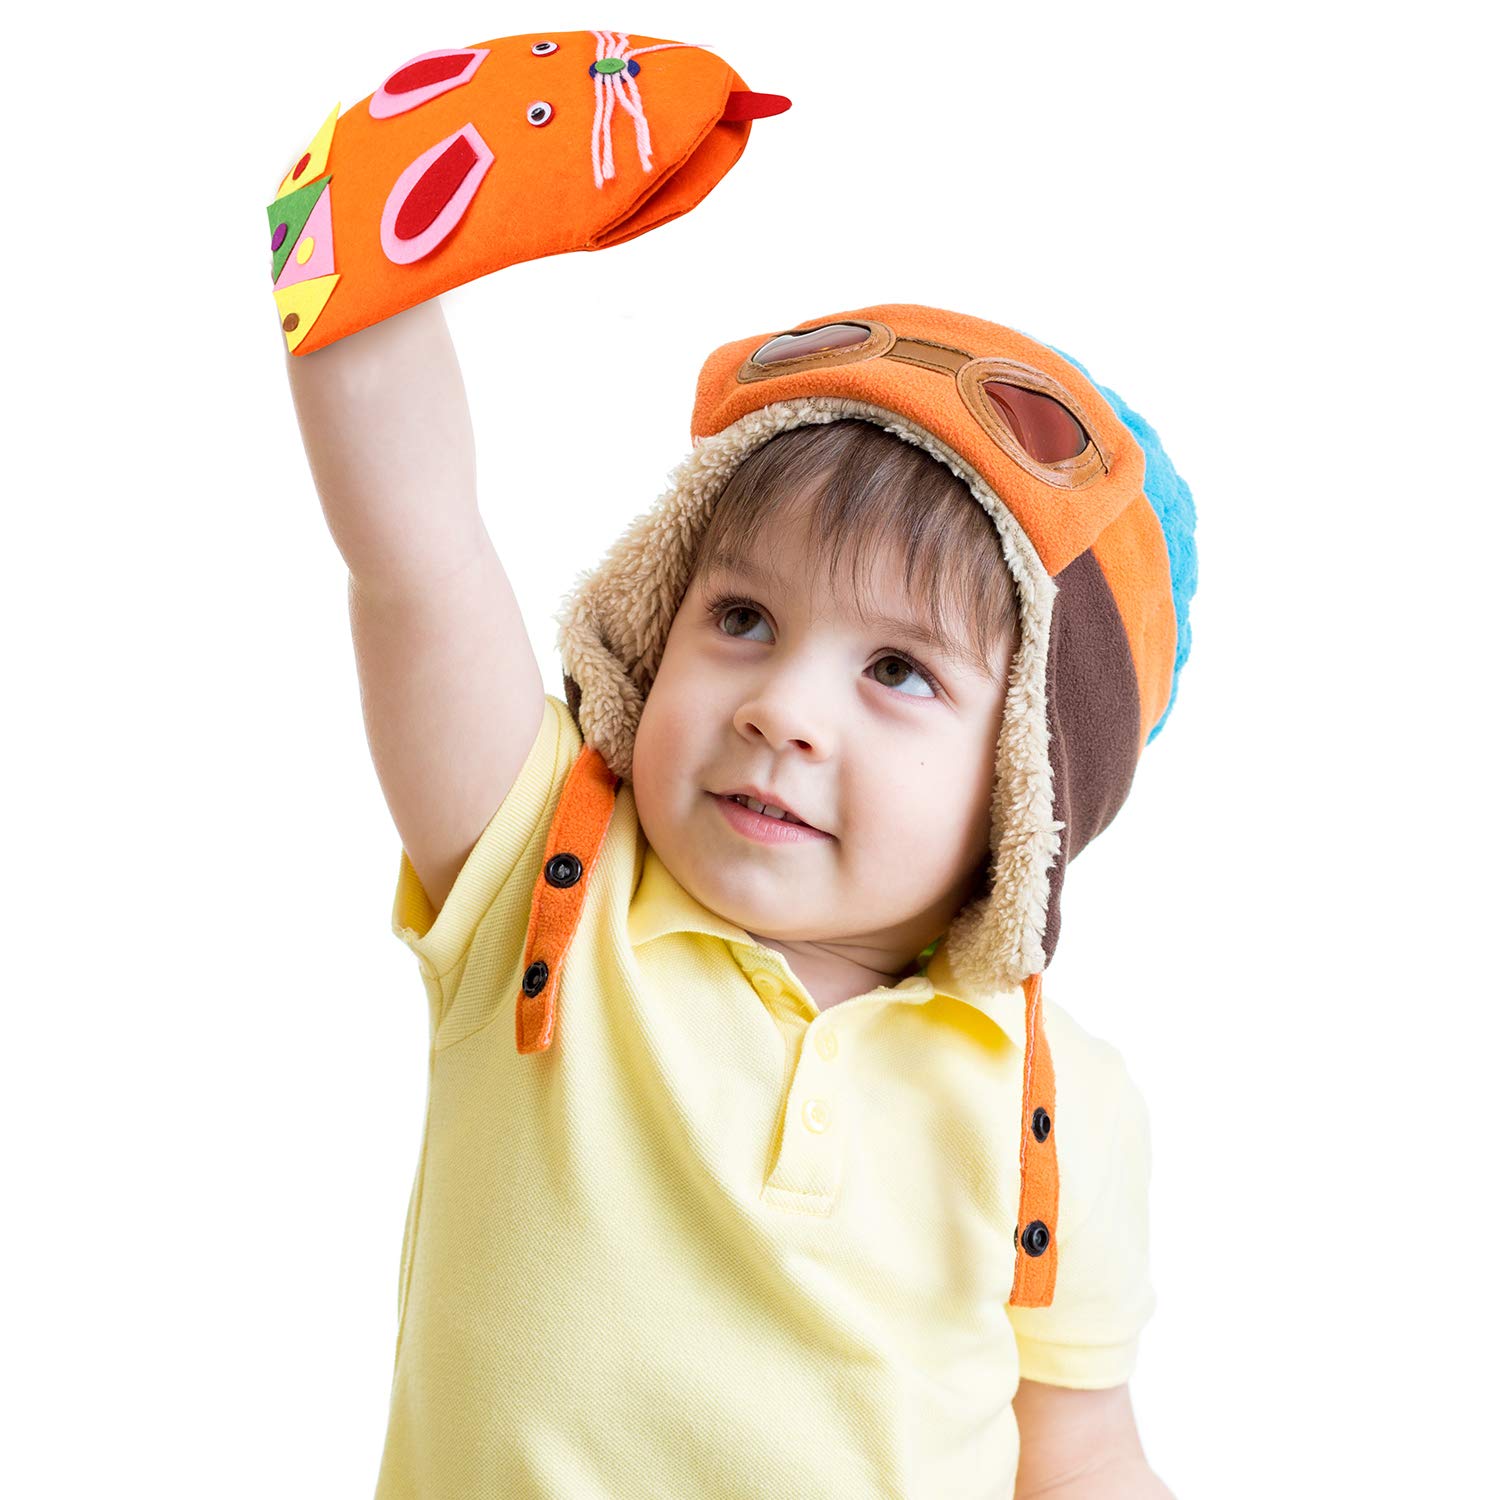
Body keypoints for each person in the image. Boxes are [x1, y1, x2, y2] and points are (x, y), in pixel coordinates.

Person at [283, 292, 1196, 1498]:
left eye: (897, 669)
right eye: (744, 618)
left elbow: (1082, 1459)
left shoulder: (1064, 1101)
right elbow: (417, 555)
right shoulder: (545, 878)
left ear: (1031, 778)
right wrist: (346, 247)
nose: (781, 708)